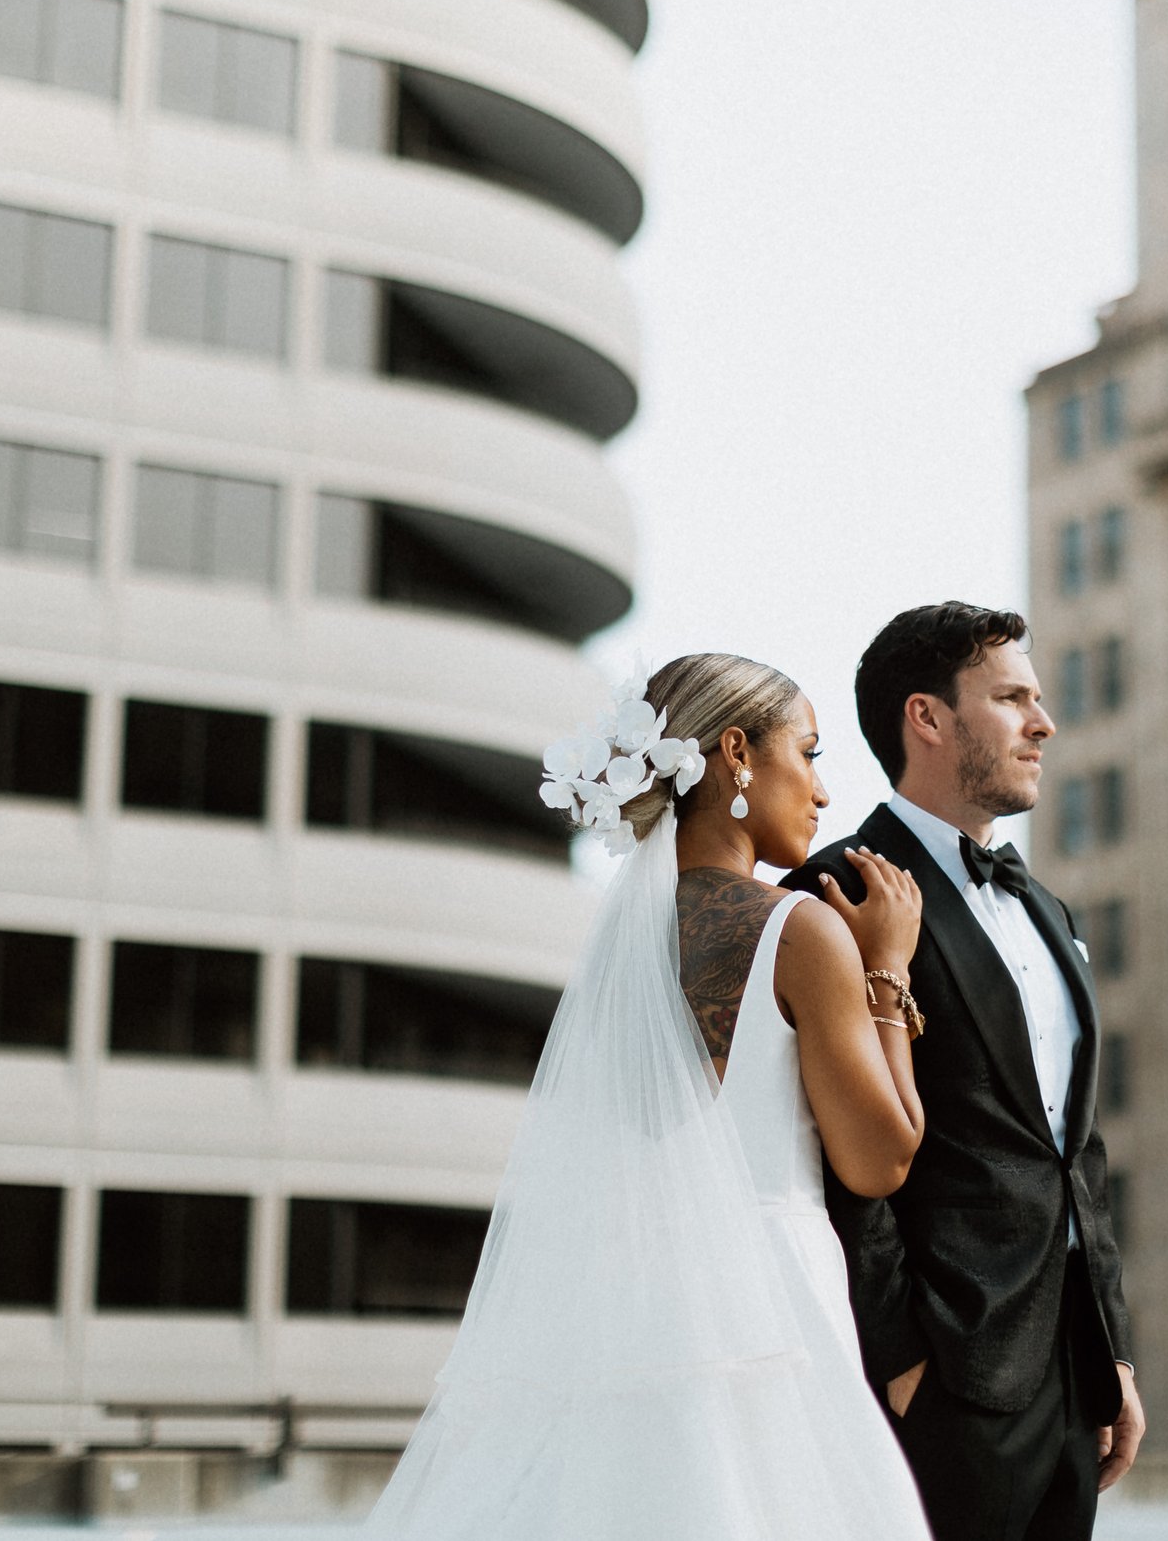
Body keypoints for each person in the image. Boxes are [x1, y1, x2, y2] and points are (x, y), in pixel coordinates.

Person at [364, 654, 935, 1540]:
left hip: (627, 1304)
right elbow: (881, 1156)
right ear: (738, 752)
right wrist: (888, 968)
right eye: (810, 753)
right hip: (768, 1306)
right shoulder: (801, 930)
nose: (823, 790)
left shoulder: (619, 947)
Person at [786, 603, 1145, 1541]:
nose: (1044, 722)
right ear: (929, 719)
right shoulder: (832, 896)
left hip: (1074, 1378)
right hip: (941, 1381)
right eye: (1014, 697)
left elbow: (1079, 1150)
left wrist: (1115, 1358)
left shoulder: (1050, 910)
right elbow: (824, 1153)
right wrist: (900, 1357)